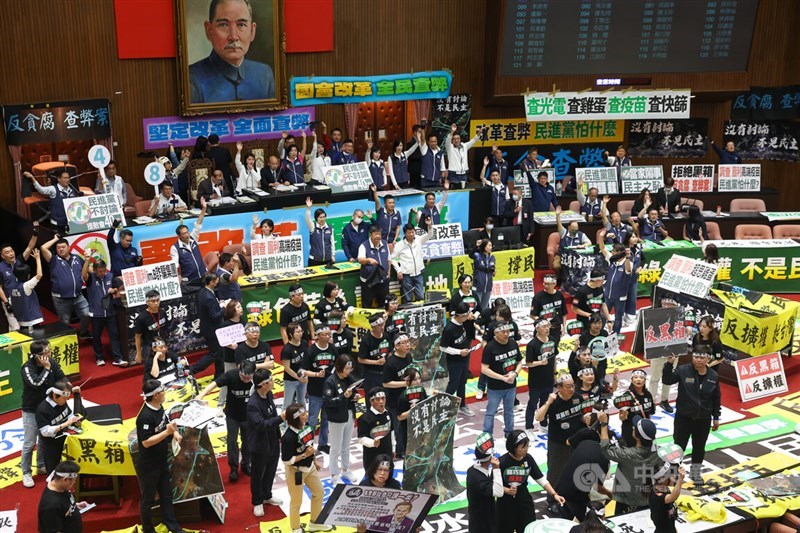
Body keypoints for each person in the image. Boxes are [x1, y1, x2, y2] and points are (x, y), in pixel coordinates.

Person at [188, 0, 275, 103]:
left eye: (241, 25)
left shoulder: (264, 74)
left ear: (252, 31)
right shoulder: (191, 78)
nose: (233, 36)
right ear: (209, 31)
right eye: (224, 25)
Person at [662, 351, 721, 484]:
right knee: (678, 447)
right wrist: (669, 364)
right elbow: (667, 380)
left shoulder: (713, 375)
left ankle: (695, 474)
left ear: (708, 359)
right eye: (696, 357)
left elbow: (716, 398)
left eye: (702, 357)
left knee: (699, 448)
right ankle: (673, 474)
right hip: (683, 418)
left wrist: (716, 416)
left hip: (703, 419)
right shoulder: (683, 370)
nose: (698, 360)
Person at [136, 379, 186, 533]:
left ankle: (172, 525)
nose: (165, 393)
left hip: (161, 460)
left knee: (166, 495)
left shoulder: (159, 407)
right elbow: (146, 442)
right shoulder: (144, 417)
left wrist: (175, 432)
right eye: (162, 391)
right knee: (148, 500)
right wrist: (167, 433)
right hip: (149, 465)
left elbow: (166, 422)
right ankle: (148, 529)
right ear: (156, 395)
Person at [196, 360, 256, 482]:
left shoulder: (256, 378)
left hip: (248, 416)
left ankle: (246, 464)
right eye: (244, 377)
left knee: (248, 441)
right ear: (240, 371)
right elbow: (214, 384)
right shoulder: (231, 375)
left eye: (249, 378)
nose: (246, 380)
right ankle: (233, 468)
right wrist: (201, 395)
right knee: (232, 441)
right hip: (232, 415)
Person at [497, 430, 564, 532]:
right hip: (505, 502)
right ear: (513, 447)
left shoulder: (528, 459)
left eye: (527, 446)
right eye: (523, 447)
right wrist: (506, 490)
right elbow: (492, 485)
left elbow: (540, 479)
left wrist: (554, 494)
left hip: (523, 499)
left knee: (528, 527)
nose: (526, 450)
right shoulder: (501, 462)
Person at [21, 341, 67, 488]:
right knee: (29, 442)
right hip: (31, 409)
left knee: (43, 438)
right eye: (45, 353)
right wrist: (46, 369)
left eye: (49, 351)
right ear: (36, 356)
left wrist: (70, 387)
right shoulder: (27, 368)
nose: (49, 355)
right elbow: (36, 384)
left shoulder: (51, 362)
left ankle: (41, 465)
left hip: (47, 408)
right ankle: (26, 472)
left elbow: (61, 377)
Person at [281, 403, 333, 533]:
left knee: (319, 493)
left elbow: (309, 444)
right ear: (296, 418)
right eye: (303, 415)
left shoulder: (307, 427)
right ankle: (295, 528)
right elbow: (287, 460)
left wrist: (314, 460)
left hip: (310, 467)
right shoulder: (288, 437)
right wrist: (305, 455)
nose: (307, 415)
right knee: (296, 502)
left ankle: (315, 522)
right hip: (295, 471)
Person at [535, 374, 583, 514]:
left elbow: (583, 415)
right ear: (559, 388)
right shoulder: (553, 400)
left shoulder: (578, 398)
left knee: (574, 469)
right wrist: (548, 402)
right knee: (555, 472)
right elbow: (539, 417)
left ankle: (571, 496)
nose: (572, 389)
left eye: (573, 385)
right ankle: (552, 500)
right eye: (568, 386)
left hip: (575, 441)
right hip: (557, 443)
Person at [598, 411, 660, 514]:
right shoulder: (658, 452)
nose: (632, 428)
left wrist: (604, 424)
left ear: (637, 436)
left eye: (634, 427)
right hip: (650, 499)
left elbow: (605, 449)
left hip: (627, 502)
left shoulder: (628, 455)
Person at [247, 369, 285, 517]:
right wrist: (281, 418)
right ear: (263, 385)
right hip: (259, 444)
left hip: (273, 440)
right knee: (258, 474)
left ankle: (267, 495)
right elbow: (260, 425)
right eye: (270, 380)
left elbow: (272, 414)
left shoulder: (268, 394)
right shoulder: (253, 404)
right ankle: (257, 501)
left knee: (271, 469)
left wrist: (278, 434)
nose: (273, 381)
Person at [41, 235, 90, 339]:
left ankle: (83, 332)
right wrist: (55, 239)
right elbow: (43, 248)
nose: (61, 249)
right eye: (58, 248)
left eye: (63, 247)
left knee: (86, 314)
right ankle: (68, 339)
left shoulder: (76, 258)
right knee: (65, 321)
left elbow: (87, 269)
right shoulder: (53, 260)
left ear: (69, 247)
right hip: (61, 298)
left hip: (78, 295)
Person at [323, 355, 361, 484]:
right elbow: (327, 402)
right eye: (347, 368)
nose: (349, 371)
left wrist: (355, 396)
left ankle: (345, 469)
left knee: (346, 446)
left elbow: (354, 391)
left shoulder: (349, 378)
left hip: (349, 415)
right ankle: (334, 474)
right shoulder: (330, 382)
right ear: (339, 367)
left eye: (350, 368)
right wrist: (343, 397)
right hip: (336, 419)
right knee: (335, 448)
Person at [481, 321, 523, 437]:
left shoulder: (513, 343)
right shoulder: (490, 347)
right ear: (496, 333)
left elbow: (519, 362)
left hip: (511, 385)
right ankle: (487, 436)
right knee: (490, 413)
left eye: (508, 331)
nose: (506, 334)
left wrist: (515, 373)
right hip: (495, 387)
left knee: (509, 411)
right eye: (503, 332)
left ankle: (509, 434)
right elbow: (484, 369)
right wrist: (502, 378)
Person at [81, 255, 124, 366]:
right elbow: (83, 275)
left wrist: (113, 290)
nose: (102, 273)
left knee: (114, 336)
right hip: (96, 313)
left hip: (110, 312)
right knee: (96, 336)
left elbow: (117, 288)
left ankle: (118, 358)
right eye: (100, 271)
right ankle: (99, 357)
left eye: (104, 271)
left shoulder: (110, 276)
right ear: (94, 270)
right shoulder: (90, 278)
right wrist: (86, 260)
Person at [555, 439, 611, 522]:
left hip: (562, 482)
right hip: (575, 494)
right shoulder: (604, 461)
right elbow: (597, 487)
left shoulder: (587, 443)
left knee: (566, 515)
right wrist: (609, 494)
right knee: (589, 521)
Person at [303, 322, 337, 454]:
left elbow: (337, 365)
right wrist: (316, 374)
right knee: (312, 419)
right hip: (315, 390)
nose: (328, 336)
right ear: (317, 336)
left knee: (326, 418)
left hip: (329, 389)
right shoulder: (311, 351)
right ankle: (308, 444)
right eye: (325, 334)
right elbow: (304, 370)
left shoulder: (333, 349)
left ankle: (323, 443)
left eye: (329, 334)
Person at [36, 379, 81, 474]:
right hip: (51, 445)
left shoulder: (62, 402)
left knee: (67, 467)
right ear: (55, 395)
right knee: (53, 472)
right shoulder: (42, 409)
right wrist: (65, 424)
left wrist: (74, 419)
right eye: (64, 398)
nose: (66, 401)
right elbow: (45, 432)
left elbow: (68, 414)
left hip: (64, 440)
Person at [1, 230, 38, 331]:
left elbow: (30, 247)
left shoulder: (19, 261)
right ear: (2, 256)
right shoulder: (0, 268)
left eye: (11, 251)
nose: (11, 254)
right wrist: (6, 303)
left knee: (26, 324)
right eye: (7, 252)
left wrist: (35, 234)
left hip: (22, 297)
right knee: (15, 327)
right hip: (9, 300)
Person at [190, 272, 225, 378]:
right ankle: (192, 370)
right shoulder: (208, 297)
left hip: (210, 328)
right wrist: (223, 307)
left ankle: (219, 374)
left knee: (220, 353)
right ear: (211, 282)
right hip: (212, 330)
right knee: (214, 354)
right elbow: (214, 316)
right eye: (216, 282)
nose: (217, 284)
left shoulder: (203, 291)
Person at [443, 303, 475, 417]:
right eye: (467, 315)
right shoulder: (449, 329)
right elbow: (443, 347)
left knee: (463, 382)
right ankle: (443, 407)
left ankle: (462, 405)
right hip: (454, 361)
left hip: (465, 357)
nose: (468, 317)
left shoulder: (464, 322)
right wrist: (459, 352)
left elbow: (471, 335)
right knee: (453, 384)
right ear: (460, 316)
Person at [382, 334, 412, 457]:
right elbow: (386, 383)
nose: (408, 345)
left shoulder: (409, 357)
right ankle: (400, 452)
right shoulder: (391, 363)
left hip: (409, 397)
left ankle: (408, 447)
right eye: (404, 343)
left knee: (408, 425)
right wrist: (404, 383)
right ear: (396, 346)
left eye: (408, 342)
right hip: (395, 400)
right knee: (399, 428)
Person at [466, 432, 502, 533]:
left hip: (485, 515)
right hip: (481, 521)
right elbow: (498, 492)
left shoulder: (472, 470)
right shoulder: (479, 479)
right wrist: (496, 469)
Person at [38, 461, 88, 533]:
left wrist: (75, 505)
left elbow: (63, 504)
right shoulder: (51, 506)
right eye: (73, 481)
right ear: (65, 479)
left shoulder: (60, 486)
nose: (74, 483)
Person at [525, 319, 557, 432]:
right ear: (537, 329)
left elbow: (554, 358)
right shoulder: (532, 345)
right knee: (532, 405)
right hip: (536, 381)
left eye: (548, 326)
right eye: (544, 327)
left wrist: (555, 373)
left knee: (545, 403)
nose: (547, 329)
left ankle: (543, 424)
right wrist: (540, 363)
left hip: (548, 380)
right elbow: (528, 363)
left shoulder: (552, 340)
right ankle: (528, 428)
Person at [169, 197, 208, 282]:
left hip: (202, 275)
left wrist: (204, 208)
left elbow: (199, 223)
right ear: (179, 236)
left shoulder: (193, 238)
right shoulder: (175, 248)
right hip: (189, 280)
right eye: (183, 234)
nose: (187, 235)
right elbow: (174, 264)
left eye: (187, 232)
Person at [392, 223, 432, 303]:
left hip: (419, 274)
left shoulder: (418, 240)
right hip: (406, 275)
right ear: (405, 233)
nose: (411, 234)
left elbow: (429, 235)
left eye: (413, 232)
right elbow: (392, 258)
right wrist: (398, 270)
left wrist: (429, 226)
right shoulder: (399, 245)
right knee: (407, 299)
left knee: (420, 297)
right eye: (409, 232)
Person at [598, 240, 632, 335]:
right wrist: (601, 236)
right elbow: (603, 248)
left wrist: (628, 257)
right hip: (608, 295)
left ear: (620, 253)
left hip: (620, 297)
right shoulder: (612, 260)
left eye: (614, 251)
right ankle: (600, 332)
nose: (612, 252)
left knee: (618, 317)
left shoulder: (627, 263)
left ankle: (616, 335)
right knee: (603, 315)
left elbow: (628, 270)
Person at [6, 248, 44, 331]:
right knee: (37, 342)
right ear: (28, 275)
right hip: (32, 321)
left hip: (21, 320)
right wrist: (37, 258)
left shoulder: (11, 286)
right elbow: (39, 275)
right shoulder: (26, 286)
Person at [617, 369, 656, 447]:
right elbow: (622, 417)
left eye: (641, 378)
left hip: (644, 430)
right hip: (630, 431)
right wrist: (622, 416)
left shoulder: (648, 394)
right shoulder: (626, 396)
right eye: (635, 377)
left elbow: (650, 412)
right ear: (631, 380)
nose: (638, 379)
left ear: (645, 380)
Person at [358, 387, 394, 470]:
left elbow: (391, 431)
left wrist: (393, 448)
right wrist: (372, 443)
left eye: (383, 398)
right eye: (377, 399)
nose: (381, 402)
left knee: (387, 474)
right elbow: (361, 438)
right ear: (371, 401)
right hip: (372, 455)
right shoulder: (364, 418)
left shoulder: (388, 412)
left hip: (387, 452)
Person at [396, 366, 426, 457]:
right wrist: (411, 411)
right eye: (415, 379)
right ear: (408, 381)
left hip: (422, 425)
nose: (418, 381)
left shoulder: (421, 391)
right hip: (408, 429)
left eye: (419, 378)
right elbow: (399, 416)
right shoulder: (403, 396)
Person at [134, 290, 171, 365]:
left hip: (163, 345)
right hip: (150, 348)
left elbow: (165, 329)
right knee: (152, 370)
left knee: (166, 366)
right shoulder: (142, 318)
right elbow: (137, 336)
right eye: (153, 301)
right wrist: (139, 353)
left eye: (157, 300)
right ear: (147, 302)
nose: (156, 303)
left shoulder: (162, 312)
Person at [358, 226, 391, 308]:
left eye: (379, 234)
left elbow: (389, 260)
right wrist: (368, 260)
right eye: (375, 234)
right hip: (369, 281)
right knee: (367, 304)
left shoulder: (384, 244)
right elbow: (360, 260)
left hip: (383, 281)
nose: (378, 236)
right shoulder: (364, 245)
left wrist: (388, 274)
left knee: (384, 305)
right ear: (370, 234)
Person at [359, 312, 391, 393]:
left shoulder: (385, 336)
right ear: (373, 326)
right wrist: (376, 362)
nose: (382, 327)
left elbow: (390, 352)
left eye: (383, 324)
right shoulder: (366, 340)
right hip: (371, 374)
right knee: (372, 396)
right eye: (379, 325)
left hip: (385, 372)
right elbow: (360, 359)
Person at [650, 462, 686, 533]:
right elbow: (673, 497)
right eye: (670, 474)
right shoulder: (656, 495)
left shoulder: (665, 489)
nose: (674, 476)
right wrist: (680, 479)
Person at [443, 123, 481, 188]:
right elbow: (447, 141)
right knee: (454, 193)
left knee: (463, 193)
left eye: (458, 138)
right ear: (452, 141)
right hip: (453, 175)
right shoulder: (450, 148)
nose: (456, 140)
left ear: (460, 139)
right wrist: (452, 132)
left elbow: (473, 141)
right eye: (454, 139)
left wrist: (478, 134)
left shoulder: (464, 146)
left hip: (464, 174)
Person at [281, 322, 309, 407]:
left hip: (303, 378)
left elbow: (307, 361)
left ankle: (302, 419)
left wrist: (306, 375)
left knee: (301, 401)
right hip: (290, 380)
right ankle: (285, 420)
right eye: (297, 332)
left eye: (301, 331)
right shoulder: (287, 349)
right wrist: (299, 377)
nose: (300, 334)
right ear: (291, 334)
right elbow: (287, 368)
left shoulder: (304, 344)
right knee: (288, 403)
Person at [305, 197, 335, 266]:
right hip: (314, 260)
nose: (322, 219)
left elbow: (332, 243)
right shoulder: (313, 227)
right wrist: (308, 208)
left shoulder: (329, 228)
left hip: (328, 260)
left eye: (324, 217)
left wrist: (333, 256)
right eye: (320, 217)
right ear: (316, 218)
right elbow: (307, 219)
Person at [622, 232, 643, 327]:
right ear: (628, 238)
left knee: (632, 298)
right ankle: (621, 317)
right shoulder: (623, 250)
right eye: (633, 237)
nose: (635, 239)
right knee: (622, 298)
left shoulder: (638, 249)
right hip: (623, 278)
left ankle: (630, 317)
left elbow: (643, 260)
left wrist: (640, 267)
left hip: (634, 278)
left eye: (636, 237)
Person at [472, 240, 496, 313]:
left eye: (491, 245)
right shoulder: (478, 255)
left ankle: (482, 323)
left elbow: (492, 268)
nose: (490, 247)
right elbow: (470, 255)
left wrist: (494, 272)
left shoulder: (492, 257)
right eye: (488, 245)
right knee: (476, 307)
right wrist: (476, 246)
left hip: (488, 286)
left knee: (484, 308)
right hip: (478, 285)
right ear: (484, 246)